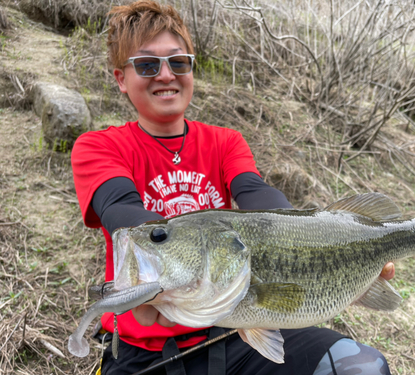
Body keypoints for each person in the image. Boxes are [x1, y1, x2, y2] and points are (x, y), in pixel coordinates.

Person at [71, 1, 395, 374]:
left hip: (230, 333)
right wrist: (162, 276)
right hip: (139, 355)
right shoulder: (99, 146)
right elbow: (120, 211)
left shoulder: (225, 142)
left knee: (361, 366)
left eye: (178, 62)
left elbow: (259, 197)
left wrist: (322, 254)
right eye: (147, 65)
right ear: (120, 78)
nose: (165, 75)